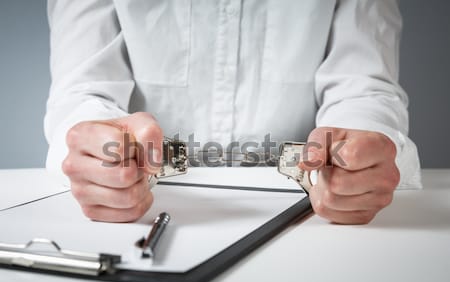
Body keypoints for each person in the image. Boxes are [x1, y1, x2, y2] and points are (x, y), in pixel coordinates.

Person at [44, 0, 421, 224]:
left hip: (307, 208)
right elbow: (81, 89)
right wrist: (96, 144)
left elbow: (363, 87)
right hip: (144, 203)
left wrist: (357, 148)